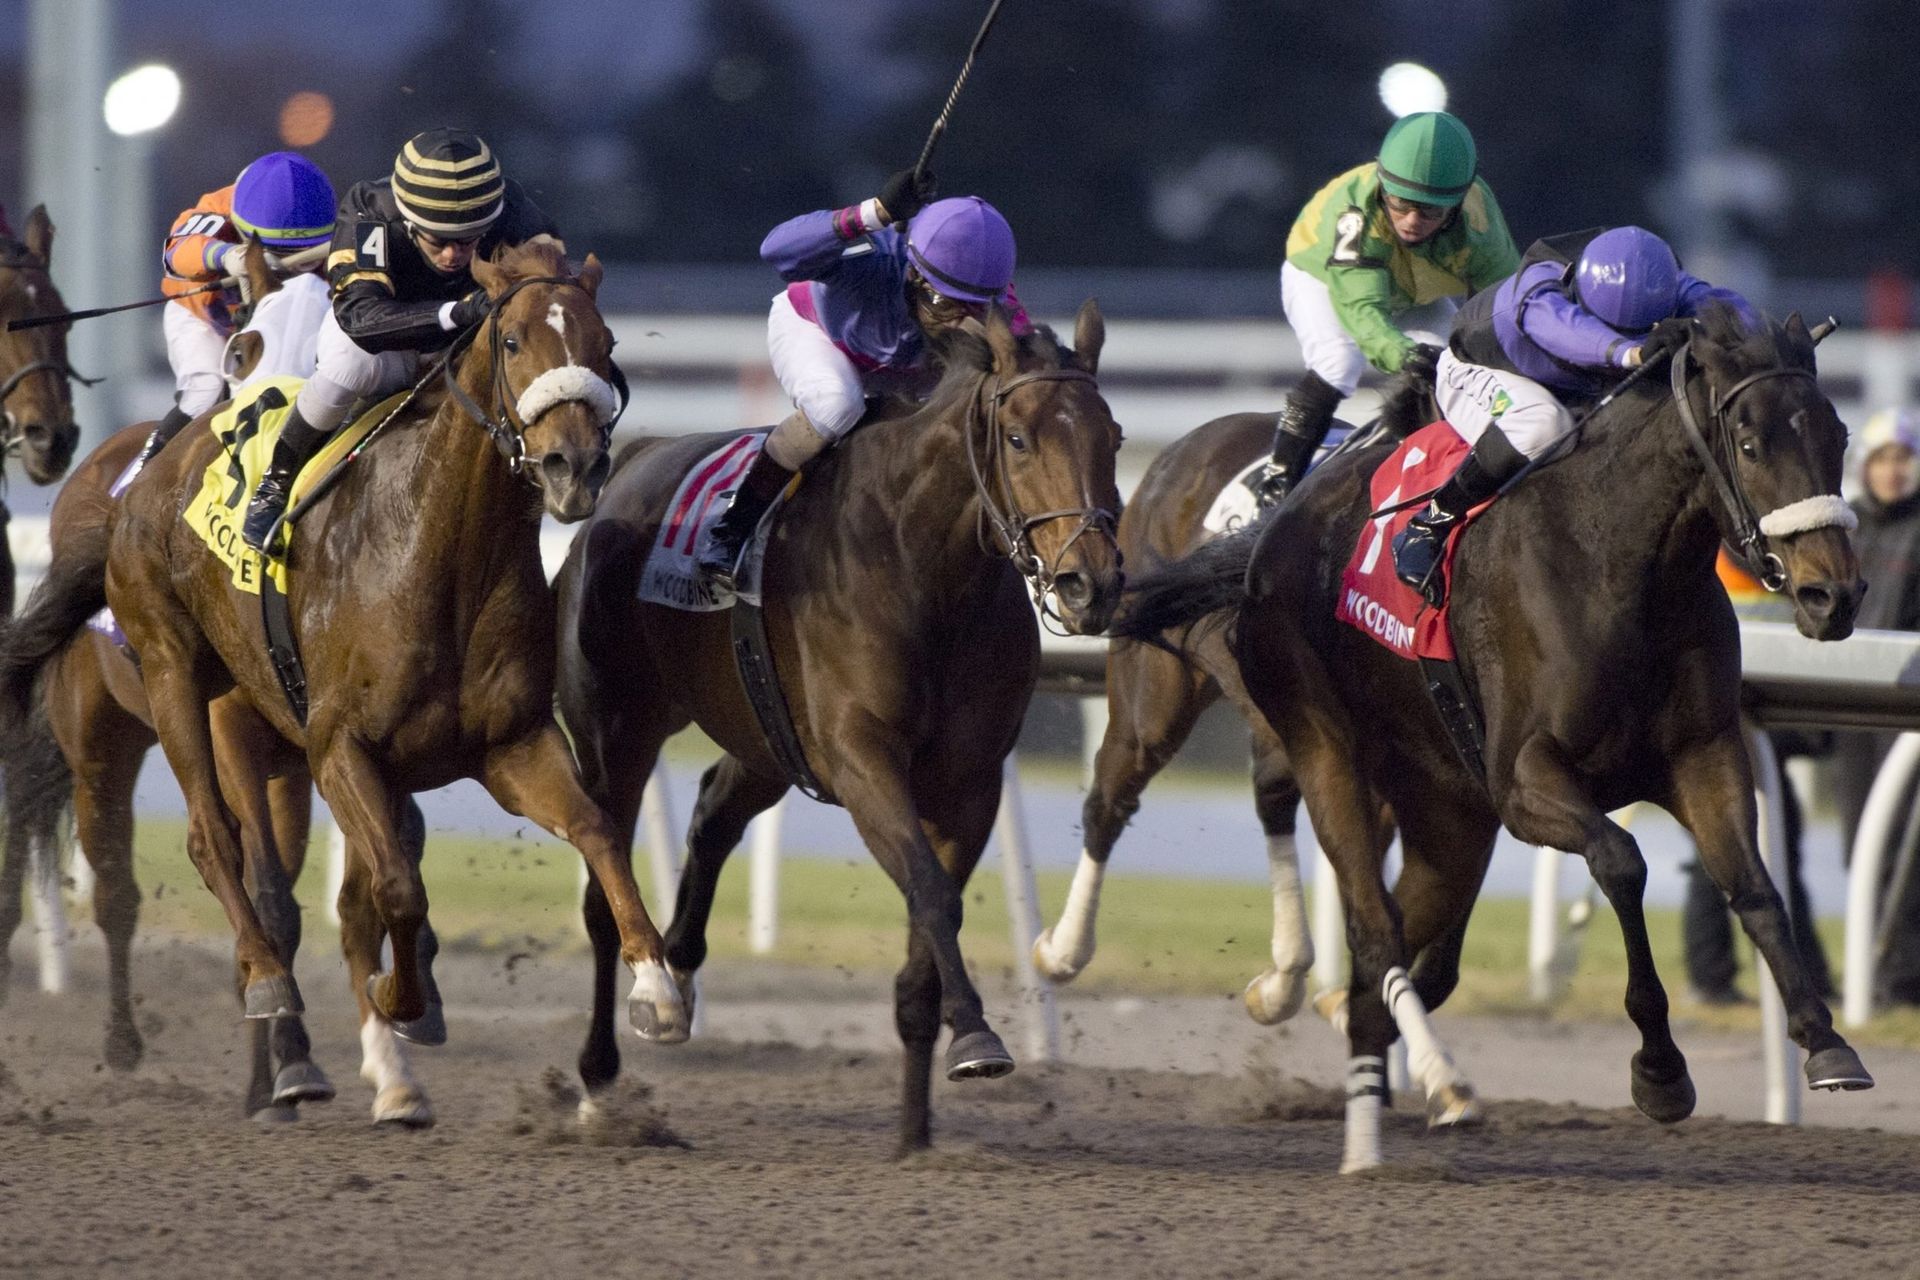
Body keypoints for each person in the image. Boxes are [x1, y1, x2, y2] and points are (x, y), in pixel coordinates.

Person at [694, 171, 1032, 587]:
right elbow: (776, 249)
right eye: (947, 303)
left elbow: (1028, 370)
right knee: (838, 405)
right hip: (821, 334)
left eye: (974, 307)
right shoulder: (876, 260)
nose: (961, 319)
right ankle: (731, 532)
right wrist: (874, 212)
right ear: (914, 275)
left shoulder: (989, 295)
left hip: (905, 374)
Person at [1392, 225, 1757, 604]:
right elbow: (1571, 334)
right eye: (1614, 326)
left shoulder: (1664, 283)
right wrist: (1633, 353)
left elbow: (1733, 310)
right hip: (1477, 369)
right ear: (1581, 295)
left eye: (1640, 329)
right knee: (1543, 426)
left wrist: (1727, 331)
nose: (1631, 334)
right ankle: (1429, 524)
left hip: (1568, 386)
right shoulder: (1539, 295)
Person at [238, 127, 560, 550]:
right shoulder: (370, 212)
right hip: (382, 342)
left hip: (466, 344)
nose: (452, 255)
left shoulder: (518, 215)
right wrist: (460, 311)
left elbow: (550, 299)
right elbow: (361, 319)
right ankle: (275, 484)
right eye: (439, 240)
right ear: (408, 222)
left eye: (467, 241)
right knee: (347, 367)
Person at [1254, 110, 1518, 505]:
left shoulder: (1479, 218)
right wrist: (1405, 355)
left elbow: (1506, 304)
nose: (1412, 221)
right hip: (1324, 277)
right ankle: (1276, 484)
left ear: (1458, 203)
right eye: (1401, 203)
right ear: (1382, 185)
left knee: (1457, 368)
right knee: (1338, 362)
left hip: (1411, 292)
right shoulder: (1356, 212)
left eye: (1430, 211)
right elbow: (1364, 311)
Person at [1682, 550, 1834, 1003]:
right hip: (1720, 730)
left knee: (1772, 848)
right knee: (1727, 855)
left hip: (1758, 725)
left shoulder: (1781, 561)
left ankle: (1790, 977)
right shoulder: (1721, 561)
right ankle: (1715, 978)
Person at [135, 152, 337, 469]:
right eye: (279, 254)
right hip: (205, 319)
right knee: (206, 392)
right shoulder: (219, 208)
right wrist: (226, 255)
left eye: (306, 255)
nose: (293, 267)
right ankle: (140, 475)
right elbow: (178, 253)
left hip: (271, 324)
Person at [1829, 408, 1920, 1005]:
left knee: (1909, 852)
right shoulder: (1847, 527)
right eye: (1882, 458)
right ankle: (1874, 974)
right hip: (1851, 705)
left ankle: (1902, 981)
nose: (1892, 471)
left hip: (1907, 709)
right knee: (1860, 843)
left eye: (1902, 458)